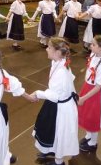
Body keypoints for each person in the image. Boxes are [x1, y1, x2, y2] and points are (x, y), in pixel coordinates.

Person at [31, 37, 79, 165]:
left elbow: (55, 95)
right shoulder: (60, 62)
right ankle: (50, 149)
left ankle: (59, 161)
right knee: (51, 130)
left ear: (57, 52)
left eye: (49, 47)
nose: (46, 49)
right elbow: (70, 81)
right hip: (57, 104)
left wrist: (37, 93)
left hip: (61, 107)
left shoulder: (62, 72)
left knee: (59, 132)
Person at [78, 35, 101, 152]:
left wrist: (83, 98)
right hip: (88, 88)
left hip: (95, 94)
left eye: (93, 44)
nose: (90, 46)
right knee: (86, 115)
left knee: (93, 117)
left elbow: (98, 87)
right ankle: (88, 135)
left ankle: (93, 142)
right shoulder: (94, 55)